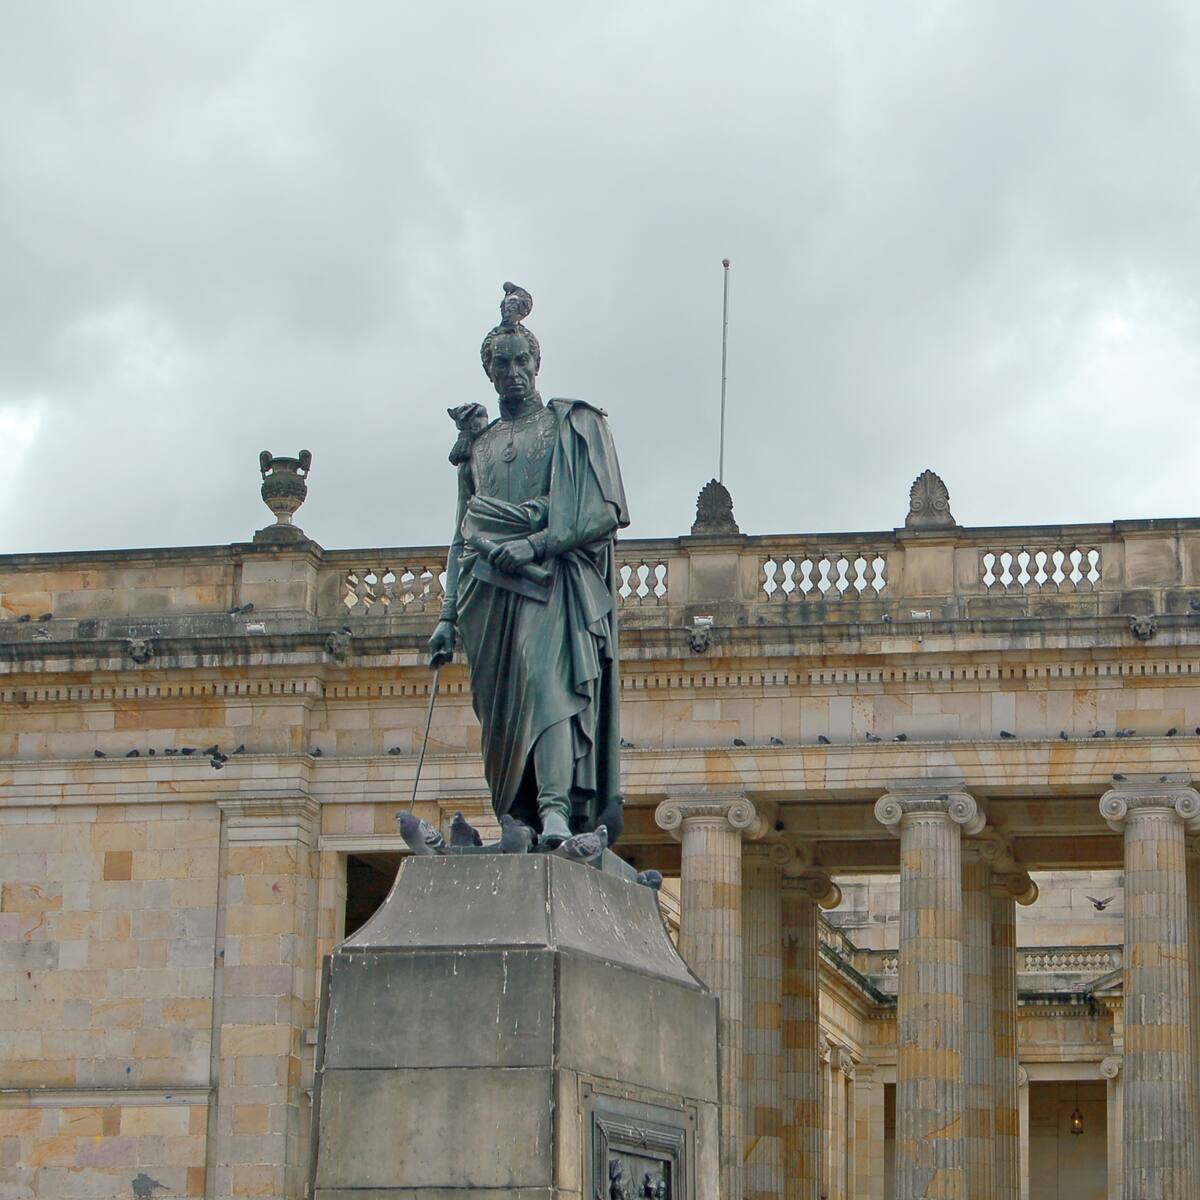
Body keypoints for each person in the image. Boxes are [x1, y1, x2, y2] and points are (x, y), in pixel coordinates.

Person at [428, 284, 629, 847]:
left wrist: (537, 544)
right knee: (500, 720)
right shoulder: (478, 445)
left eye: (522, 361)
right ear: (489, 373)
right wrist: (446, 616)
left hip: (553, 584)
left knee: (548, 688)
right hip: (488, 595)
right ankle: (516, 818)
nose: (513, 372)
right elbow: (462, 532)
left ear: (537, 364)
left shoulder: (571, 425)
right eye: (502, 363)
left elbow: (601, 510)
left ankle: (557, 808)